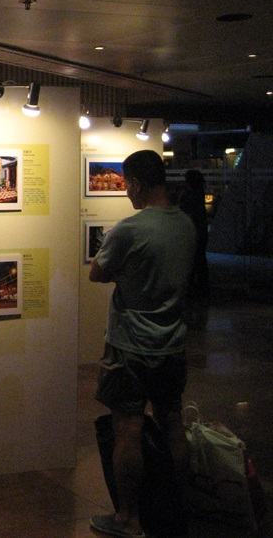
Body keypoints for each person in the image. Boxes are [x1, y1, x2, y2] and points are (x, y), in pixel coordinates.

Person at [89, 150, 196, 538]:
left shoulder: (130, 228)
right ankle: (179, 510)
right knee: (173, 423)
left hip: (130, 344)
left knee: (128, 430)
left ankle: (128, 519)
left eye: (125, 185)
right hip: (172, 343)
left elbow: (97, 273)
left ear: (135, 183)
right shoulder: (185, 225)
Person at [178, 169, 210, 325]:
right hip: (201, 231)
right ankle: (202, 290)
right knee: (200, 261)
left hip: (193, 232)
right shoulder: (200, 193)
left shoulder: (189, 195)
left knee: (191, 262)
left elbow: (186, 213)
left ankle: (191, 290)